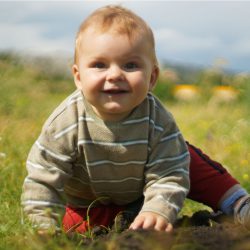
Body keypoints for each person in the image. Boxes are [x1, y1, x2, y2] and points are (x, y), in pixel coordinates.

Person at [21, 5, 250, 235]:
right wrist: (42, 227)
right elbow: (43, 178)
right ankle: (130, 224)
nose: (114, 75)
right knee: (75, 227)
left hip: (146, 191)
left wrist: (159, 209)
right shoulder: (66, 122)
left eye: (130, 65)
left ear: (152, 78)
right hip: (89, 202)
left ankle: (237, 204)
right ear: (79, 77)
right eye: (99, 65)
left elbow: (169, 171)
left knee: (184, 156)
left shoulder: (157, 119)